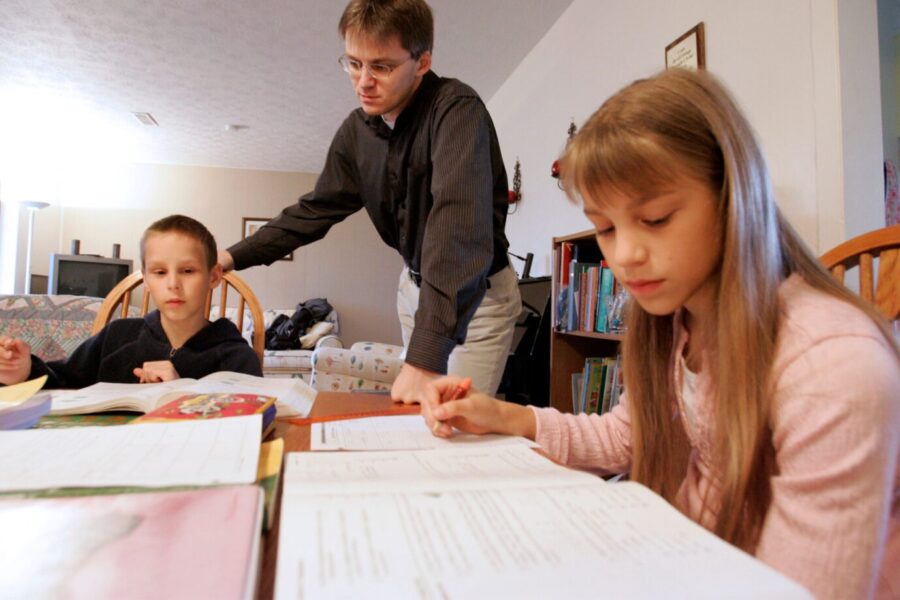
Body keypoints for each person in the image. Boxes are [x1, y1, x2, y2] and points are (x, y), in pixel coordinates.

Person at [419, 69, 900, 600]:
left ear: (733, 197)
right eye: (605, 227)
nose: (624, 255)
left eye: (655, 218)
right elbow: (629, 437)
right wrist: (505, 416)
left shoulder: (833, 364)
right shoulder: (677, 321)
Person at [218, 0, 521, 402]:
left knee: (455, 422)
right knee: (418, 418)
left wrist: (423, 360)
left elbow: (457, 232)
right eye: (354, 63)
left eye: (381, 66)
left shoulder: (456, 111)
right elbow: (315, 209)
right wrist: (231, 256)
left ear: (422, 61)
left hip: (477, 295)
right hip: (412, 290)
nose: (363, 81)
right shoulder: (356, 132)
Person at [0, 214, 262, 388]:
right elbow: (63, 382)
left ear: (213, 276)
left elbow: (251, 423)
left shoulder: (237, 357)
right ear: (146, 279)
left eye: (188, 271)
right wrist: (23, 372)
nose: (173, 284)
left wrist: (181, 393)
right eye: (159, 273)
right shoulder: (116, 337)